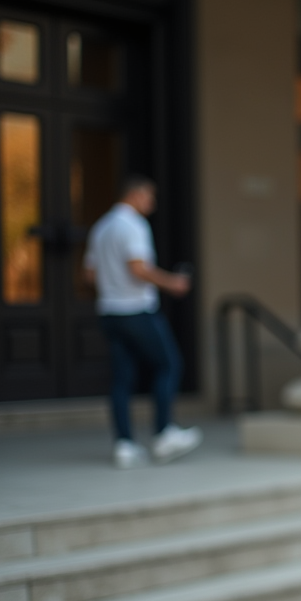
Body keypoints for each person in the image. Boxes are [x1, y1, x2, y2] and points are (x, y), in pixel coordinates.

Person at [84, 175, 202, 468]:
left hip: (109, 311)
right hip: (136, 310)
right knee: (169, 364)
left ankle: (124, 444)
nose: (152, 203)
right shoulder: (132, 225)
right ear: (135, 195)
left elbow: (89, 274)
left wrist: (112, 286)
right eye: (149, 197)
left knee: (122, 379)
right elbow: (138, 268)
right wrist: (172, 283)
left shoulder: (101, 227)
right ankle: (164, 433)